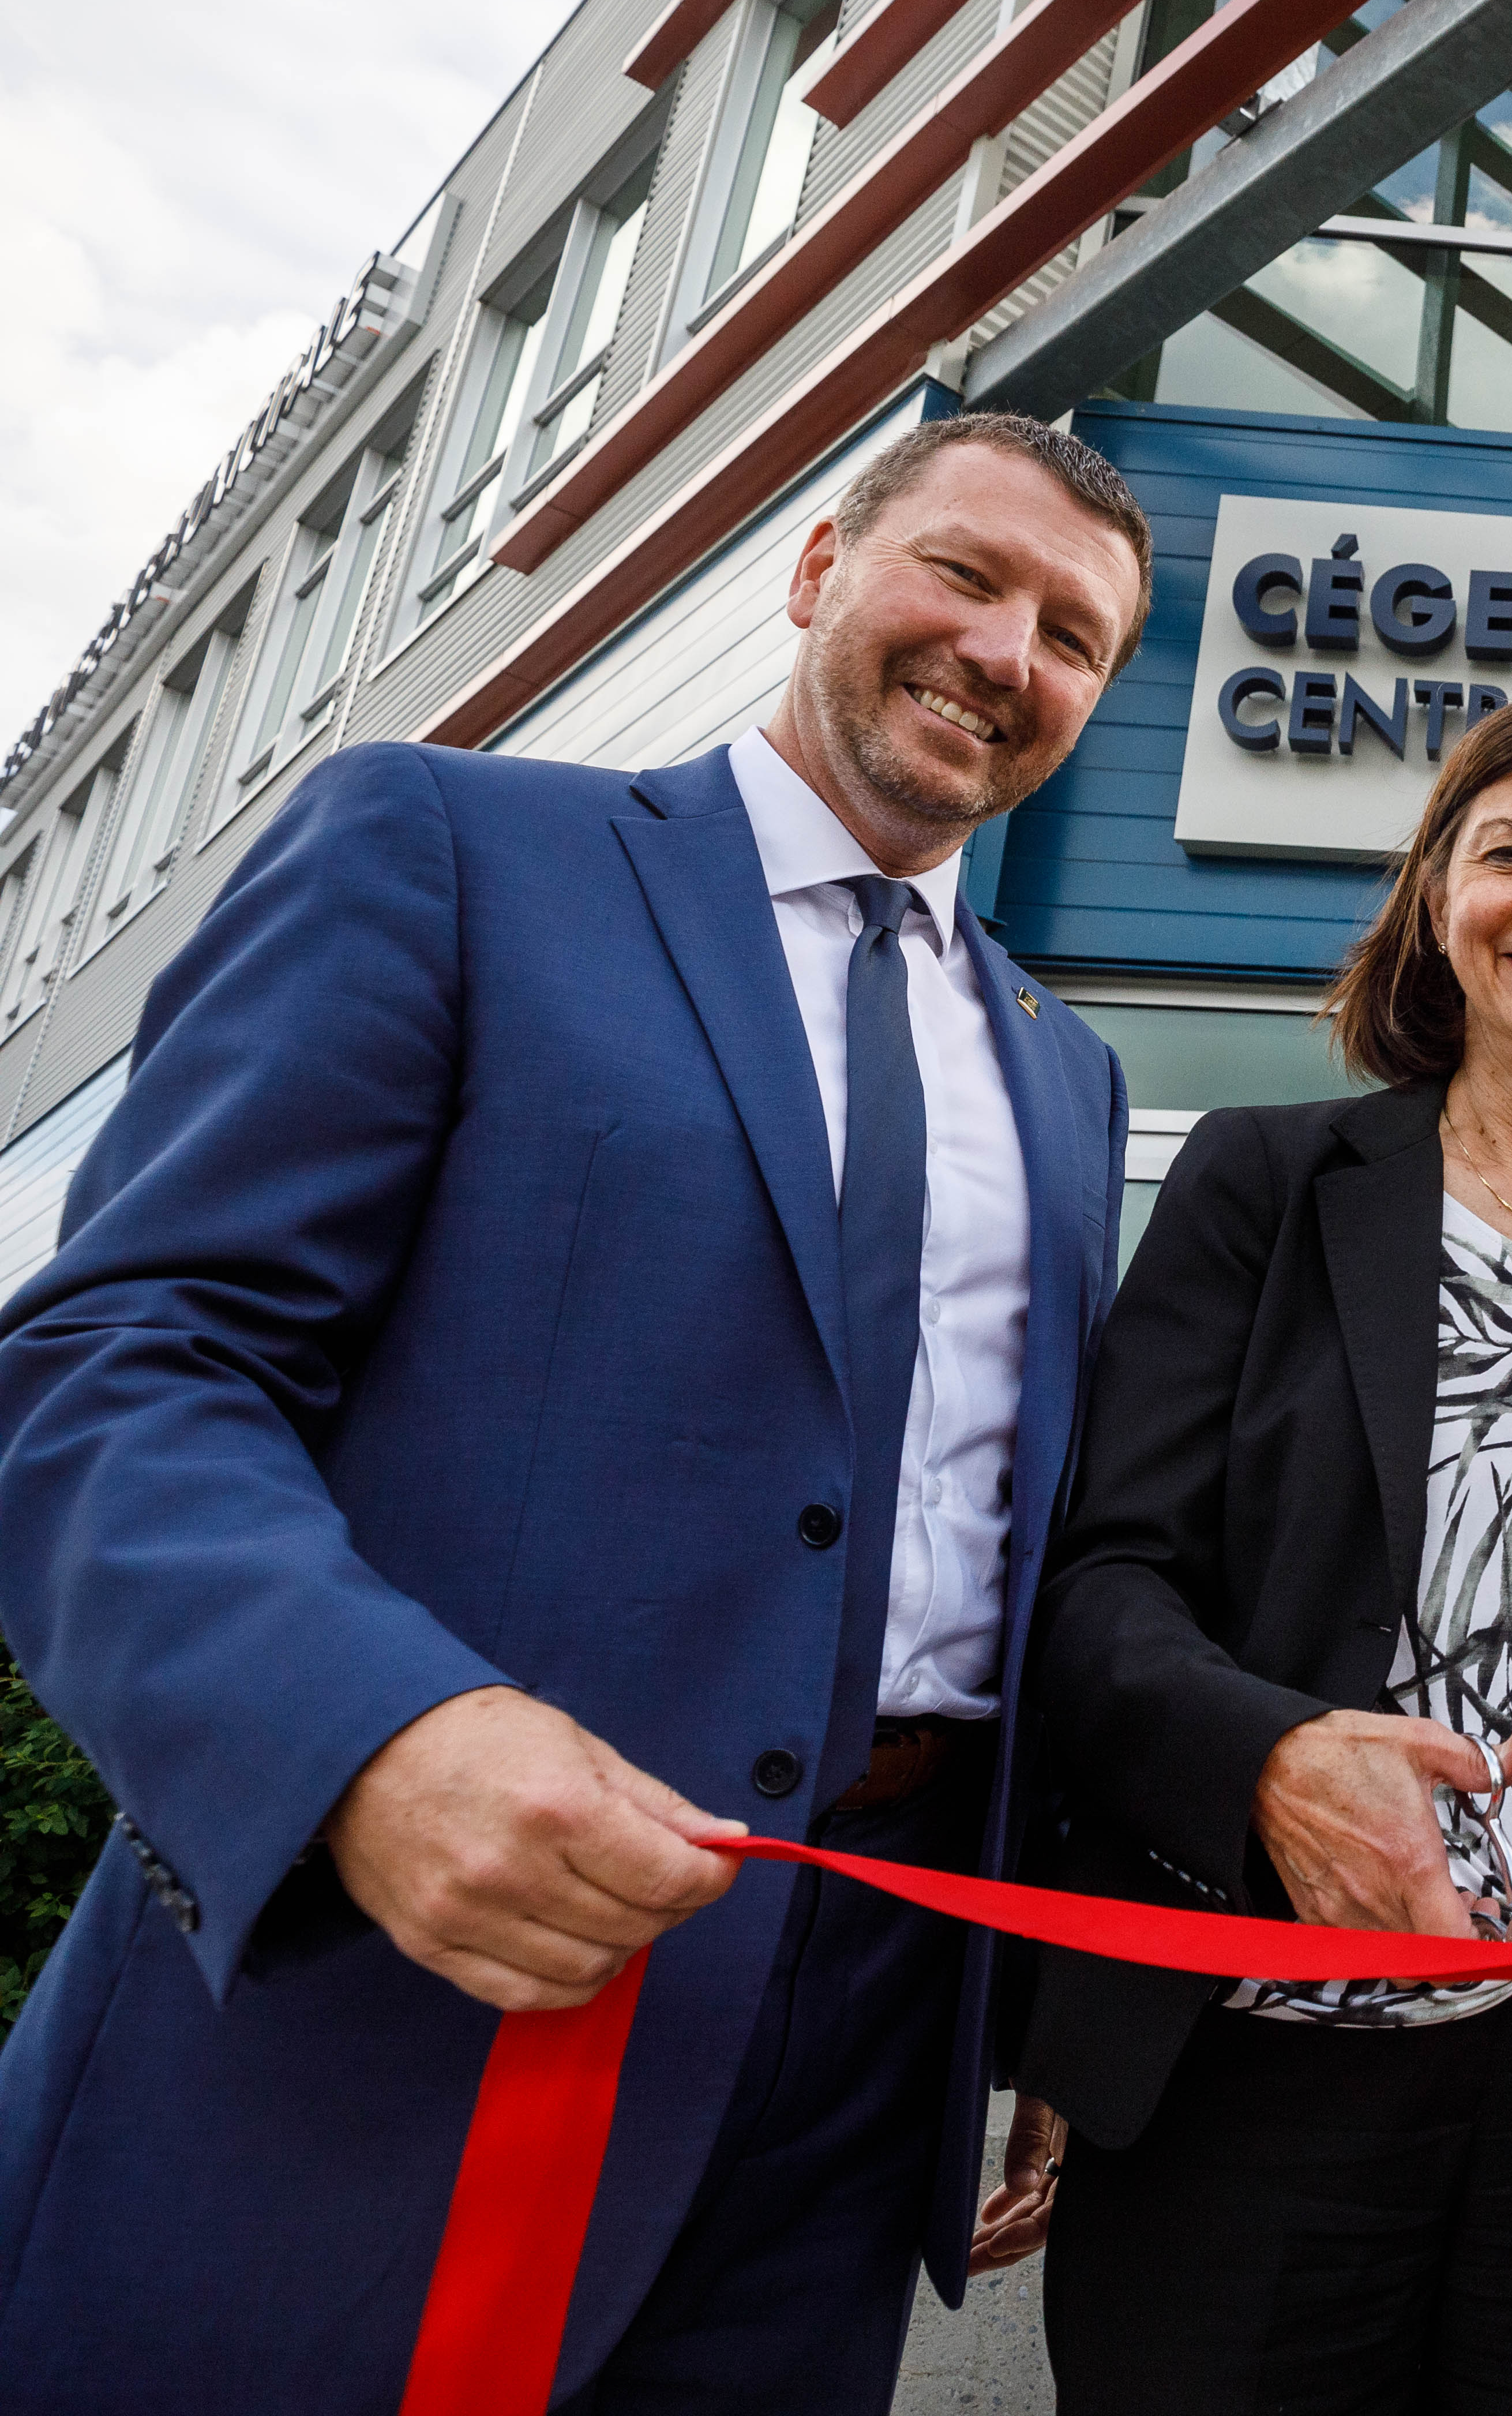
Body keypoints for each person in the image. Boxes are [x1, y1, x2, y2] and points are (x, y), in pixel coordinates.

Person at [0, 410, 1154, 2408]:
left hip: (863, 2048)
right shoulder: (446, 848)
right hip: (401, 1990)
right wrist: (363, 1738)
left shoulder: (1069, 1072)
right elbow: (120, 1366)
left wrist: (1033, 1989)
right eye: (966, 575)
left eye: (1074, 636)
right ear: (816, 567)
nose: (1006, 653)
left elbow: (1009, 1555)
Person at [1021, 687, 1512, 2415]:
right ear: (1434, 903)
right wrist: (1269, 1757)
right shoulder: (1262, 1184)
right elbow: (1097, 1590)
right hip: (1251, 2064)